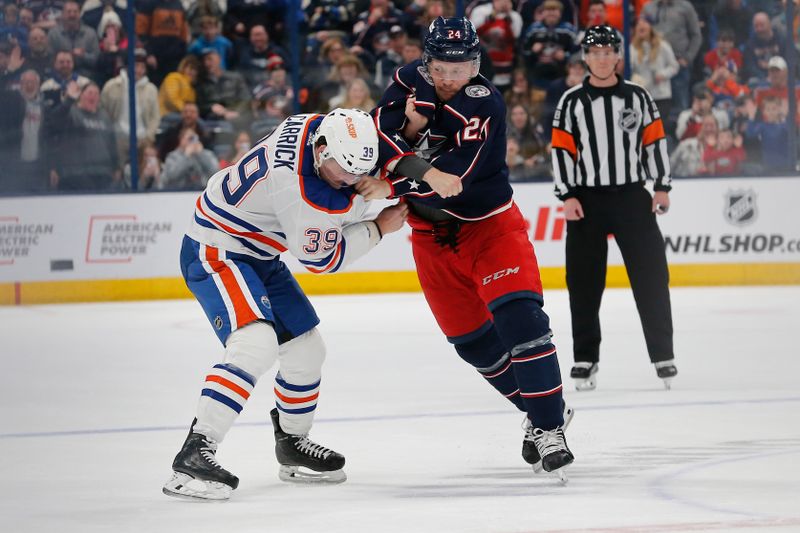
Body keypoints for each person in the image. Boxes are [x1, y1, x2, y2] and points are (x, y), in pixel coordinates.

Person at [356, 16, 574, 478]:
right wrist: (410, 149)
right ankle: (541, 411)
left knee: (521, 321)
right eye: (444, 67)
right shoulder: (405, 79)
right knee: (474, 346)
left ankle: (550, 426)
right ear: (426, 60)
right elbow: (376, 137)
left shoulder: (485, 103)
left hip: (489, 229)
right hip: (429, 239)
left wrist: (397, 172)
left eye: (463, 67)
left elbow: (449, 183)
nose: (454, 77)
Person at [162, 108, 408, 500]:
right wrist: (379, 225)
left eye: (360, 170)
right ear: (322, 150)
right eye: (344, 171)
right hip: (217, 248)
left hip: (257, 248)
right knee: (255, 344)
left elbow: (362, 154)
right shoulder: (303, 192)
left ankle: (292, 443)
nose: (353, 180)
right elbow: (324, 260)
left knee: (308, 349)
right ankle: (195, 452)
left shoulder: (314, 125)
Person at [550, 25, 677, 391]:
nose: (602, 58)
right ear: (585, 58)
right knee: (583, 283)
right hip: (586, 200)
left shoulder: (638, 97)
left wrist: (661, 186)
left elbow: (655, 142)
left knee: (651, 276)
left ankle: (663, 355)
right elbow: (561, 151)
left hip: (632, 197)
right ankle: (585, 358)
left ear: (618, 56)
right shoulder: (571, 102)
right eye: (595, 52)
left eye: (608, 51)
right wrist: (567, 195)